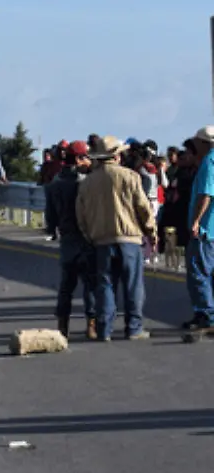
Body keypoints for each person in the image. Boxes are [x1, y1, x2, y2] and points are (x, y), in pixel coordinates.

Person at [76, 136, 156, 341]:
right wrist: (151, 232)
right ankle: (134, 328)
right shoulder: (130, 177)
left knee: (105, 286)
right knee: (133, 285)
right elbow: (143, 208)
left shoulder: (88, 182)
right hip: (130, 238)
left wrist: (89, 235)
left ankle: (104, 329)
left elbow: (81, 215)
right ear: (117, 156)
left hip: (101, 240)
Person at [45, 141, 97, 338]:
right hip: (85, 236)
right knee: (89, 284)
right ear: (78, 159)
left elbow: (50, 216)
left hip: (67, 238)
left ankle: (62, 325)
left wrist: (53, 229)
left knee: (66, 285)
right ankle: (91, 324)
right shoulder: (84, 183)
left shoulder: (54, 184)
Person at [183, 126, 214, 329]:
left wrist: (195, 221)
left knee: (198, 272)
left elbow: (206, 194)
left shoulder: (209, 162)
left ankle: (205, 314)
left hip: (206, 229)